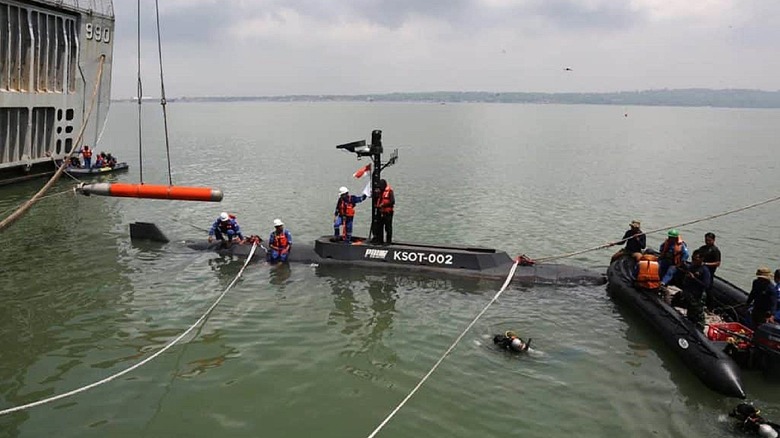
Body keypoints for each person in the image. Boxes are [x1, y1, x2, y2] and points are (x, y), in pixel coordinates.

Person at [671, 250, 712, 326]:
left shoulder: (704, 270)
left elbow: (706, 285)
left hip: (697, 296)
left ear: (701, 259)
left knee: (698, 314)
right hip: (689, 293)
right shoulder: (692, 266)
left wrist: (694, 278)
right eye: (692, 258)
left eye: (695, 259)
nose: (693, 260)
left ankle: (699, 327)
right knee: (689, 312)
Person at [371, 179, 395, 245]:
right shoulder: (379, 192)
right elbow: (376, 199)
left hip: (388, 213)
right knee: (379, 227)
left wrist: (383, 204)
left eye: (381, 186)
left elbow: (392, 201)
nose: (380, 188)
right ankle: (379, 240)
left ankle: (388, 241)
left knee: (388, 227)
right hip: (380, 212)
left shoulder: (389, 191)